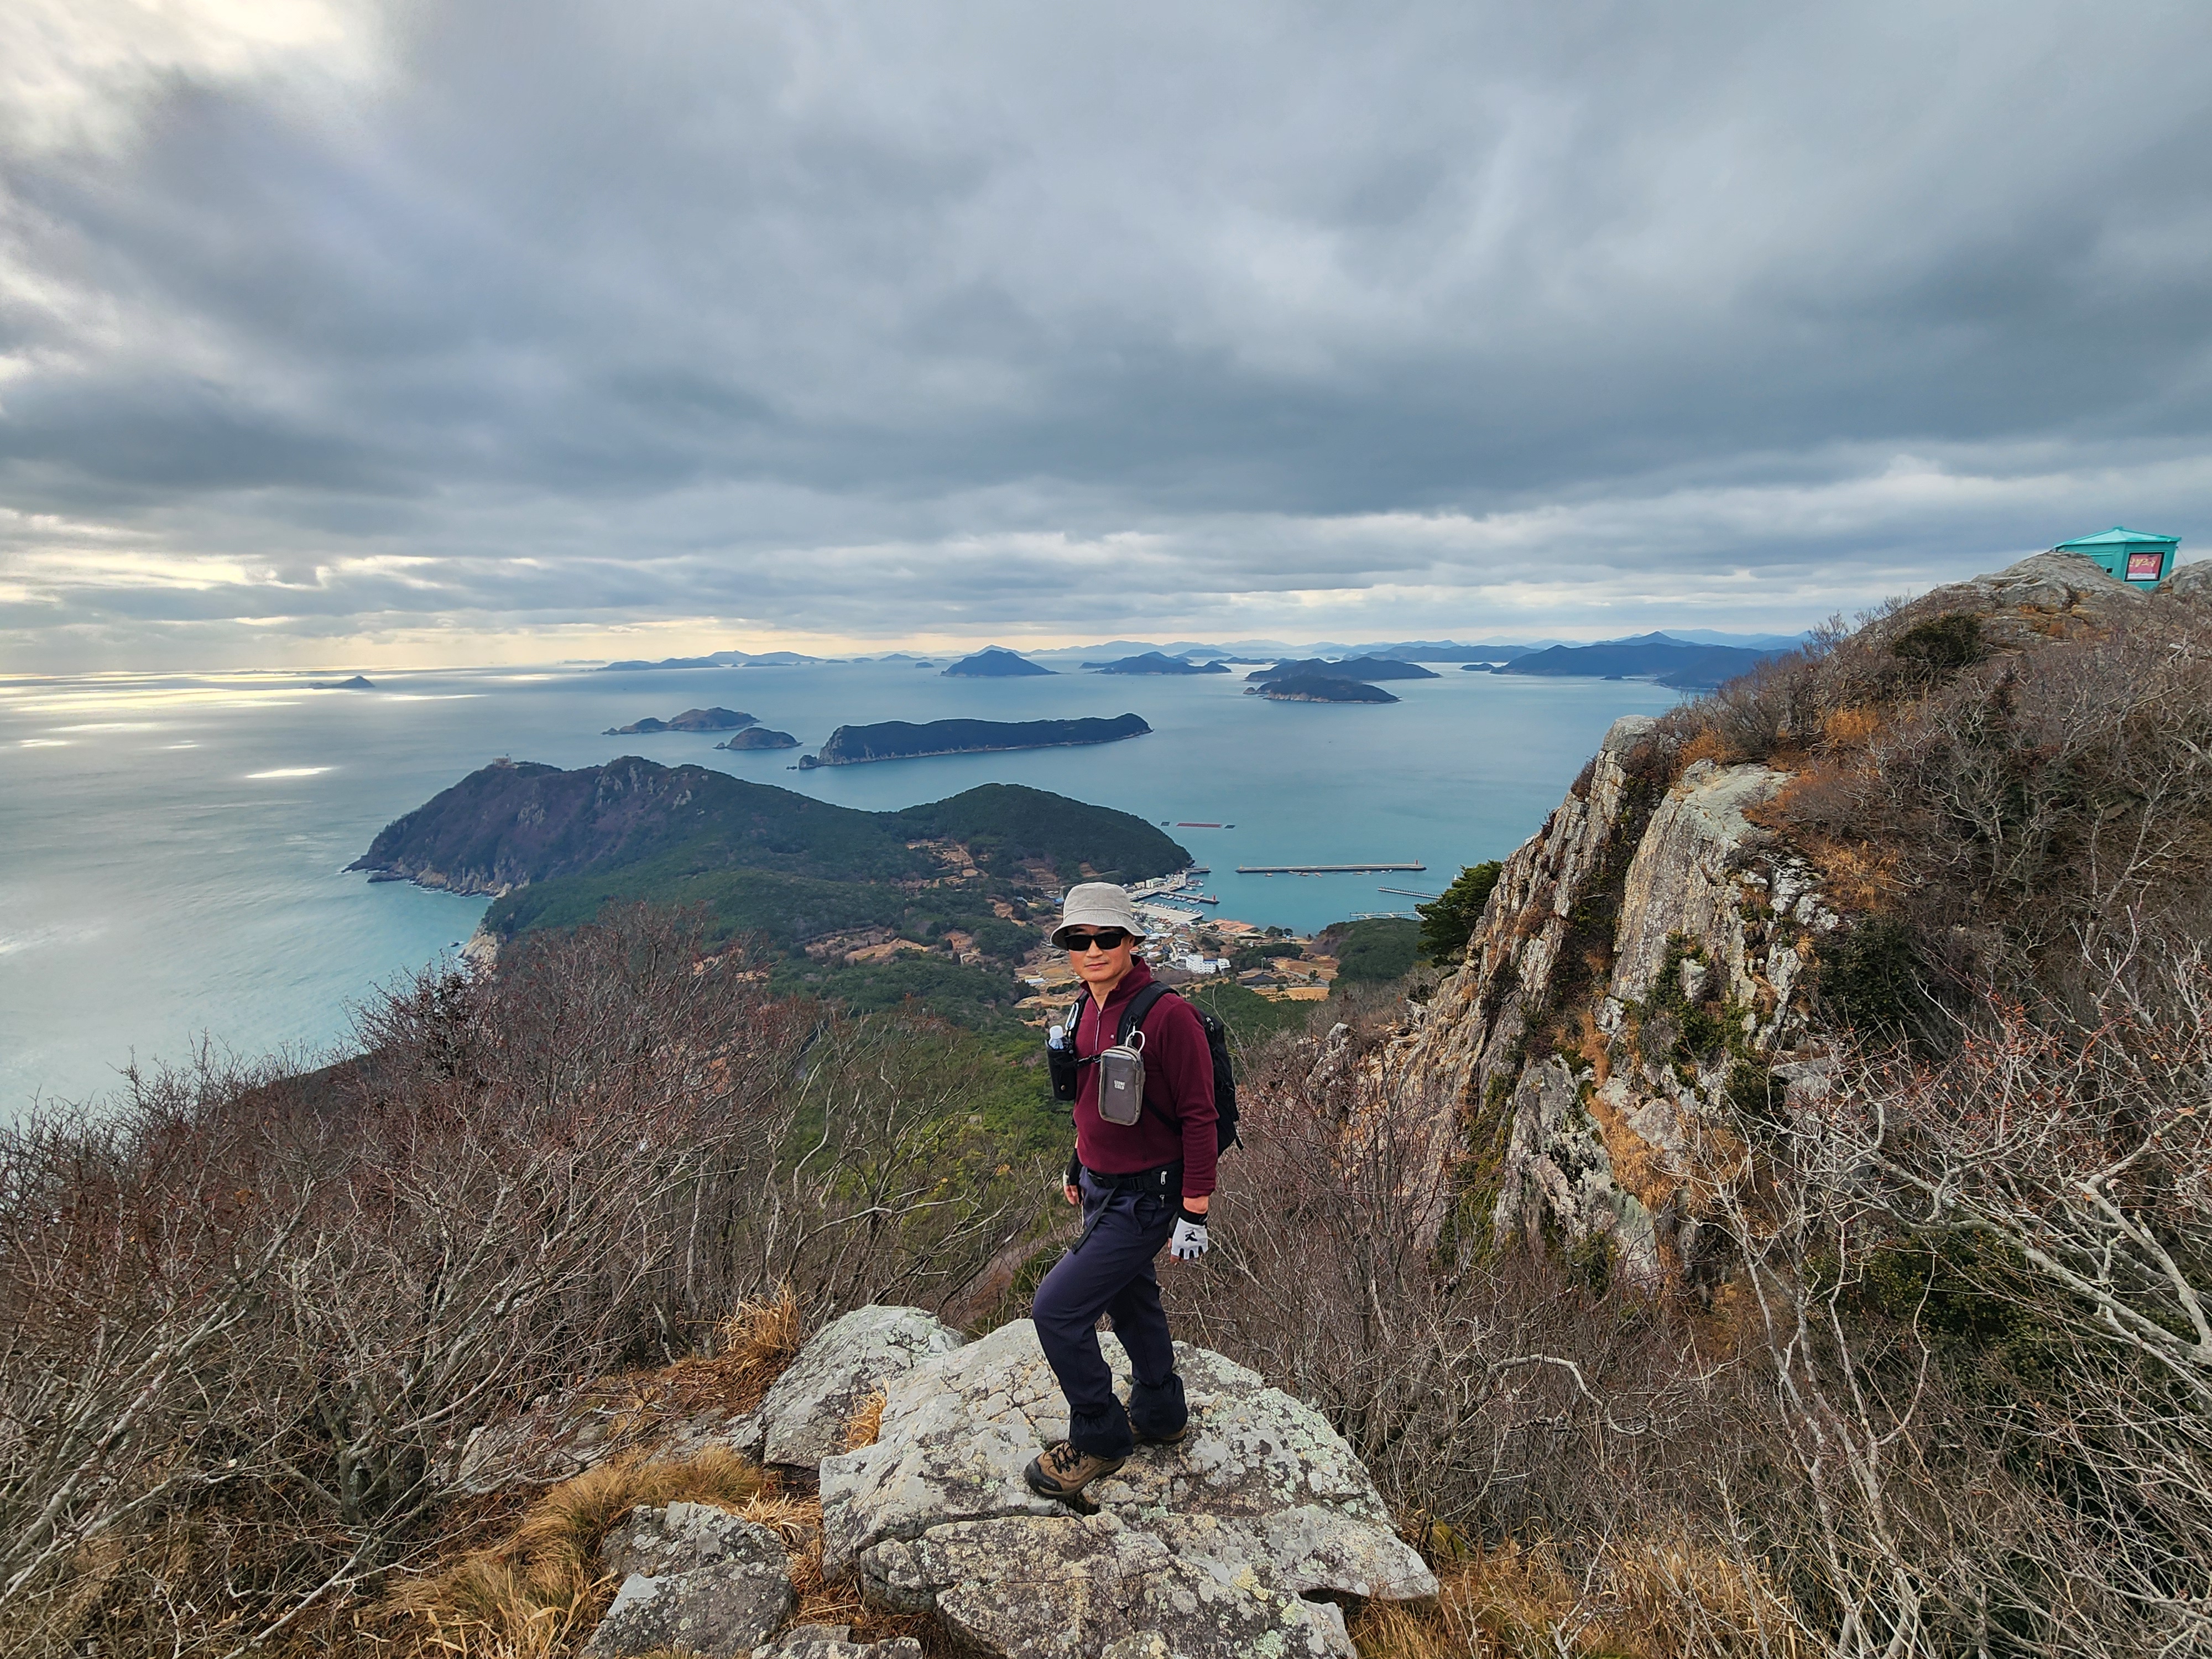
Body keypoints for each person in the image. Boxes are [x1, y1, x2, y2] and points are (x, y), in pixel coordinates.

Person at [1025, 881, 1216, 1505]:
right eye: (1079, 940)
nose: (1093, 949)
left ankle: (1100, 1437)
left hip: (1147, 1199)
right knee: (1133, 1303)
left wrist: (1194, 1209)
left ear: (1132, 940)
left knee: (1056, 1311)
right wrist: (1077, 1164)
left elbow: (1199, 1115)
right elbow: (1090, 1102)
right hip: (1100, 1188)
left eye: (1107, 937)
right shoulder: (1084, 1007)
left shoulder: (1168, 1016)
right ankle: (1160, 1413)